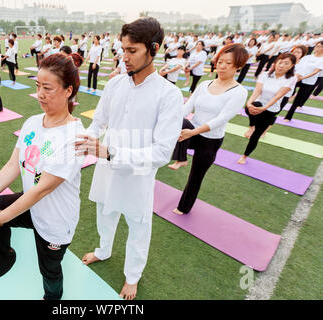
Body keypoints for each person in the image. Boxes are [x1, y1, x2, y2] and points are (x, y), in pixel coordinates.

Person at [75, 17, 183, 300]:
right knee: (104, 211)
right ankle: (103, 250)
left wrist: (109, 152)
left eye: (132, 50)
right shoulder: (115, 85)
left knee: (138, 225)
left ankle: (132, 275)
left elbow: (161, 152)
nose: (124, 56)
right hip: (105, 164)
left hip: (137, 174)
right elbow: (98, 122)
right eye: (122, 49)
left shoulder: (169, 94)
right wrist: (85, 140)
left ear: (153, 49)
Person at [0, 54, 85, 301]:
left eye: (48, 88)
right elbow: (13, 165)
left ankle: (51, 299)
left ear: (68, 91)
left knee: (50, 270)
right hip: (31, 204)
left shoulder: (74, 137)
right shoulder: (33, 122)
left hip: (55, 218)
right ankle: (2, 263)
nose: (40, 94)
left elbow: (41, 190)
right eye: (37, 86)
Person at [168, 44, 248, 216]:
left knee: (196, 177)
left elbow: (222, 119)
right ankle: (181, 158)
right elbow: (188, 106)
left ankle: (184, 207)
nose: (222, 65)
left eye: (228, 63)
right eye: (220, 61)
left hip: (210, 139)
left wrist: (193, 133)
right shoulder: (204, 84)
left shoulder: (239, 92)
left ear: (238, 66)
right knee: (178, 121)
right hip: (192, 132)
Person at [237, 53, 297, 164]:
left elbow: (278, 96)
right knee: (249, 107)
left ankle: (244, 156)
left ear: (291, 66)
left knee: (256, 136)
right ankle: (251, 125)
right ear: (275, 63)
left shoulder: (292, 79)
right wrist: (249, 103)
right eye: (280, 62)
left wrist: (264, 108)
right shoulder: (265, 74)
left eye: (286, 63)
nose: (282, 65)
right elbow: (257, 90)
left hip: (271, 109)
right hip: (259, 104)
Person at [284, 41, 323, 121]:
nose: (317, 48)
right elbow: (298, 66)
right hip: (298, 78)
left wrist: (303, 78)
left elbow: (315, 71)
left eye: (320, 47)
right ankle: (292, 94)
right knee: (290, 88)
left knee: (298, 99)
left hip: (309, 81)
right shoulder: (307, 57)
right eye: (317, 46)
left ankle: (288, 116)